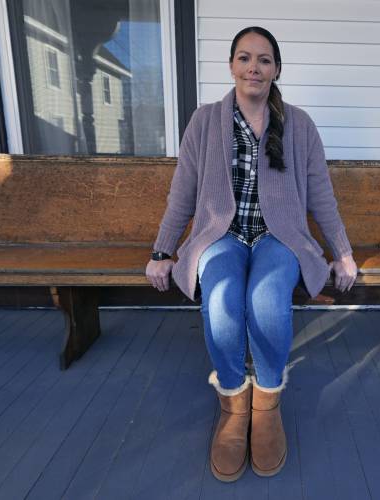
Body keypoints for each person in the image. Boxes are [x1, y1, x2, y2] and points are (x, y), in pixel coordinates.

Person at [144, 26, 358, 482]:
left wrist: (342, 251)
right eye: (245, 58)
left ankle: (266, 405)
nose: (254, 67)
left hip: (278, 237)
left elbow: (321, 193)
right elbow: (182, 190)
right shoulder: (205, 120)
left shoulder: (298, 124)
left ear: (276, 69)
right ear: (231, 66)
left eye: (264, 59)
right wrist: (163, 249)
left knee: (266, 300)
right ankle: (233, 405)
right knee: (221, 299)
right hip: (219, 235)